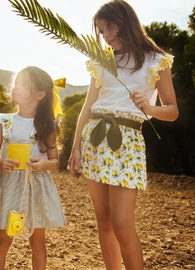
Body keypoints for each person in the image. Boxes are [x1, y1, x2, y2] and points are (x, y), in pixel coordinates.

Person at [68, 1, 178, 269]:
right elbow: (88, 106)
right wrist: (75, 148)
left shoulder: (156, 61)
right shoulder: (101, 62)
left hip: (127, 142)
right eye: (100, 30)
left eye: (109, 27)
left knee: (121, 222)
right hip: (95, 138)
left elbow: (173, 111)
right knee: (104, 221)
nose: (105, 35)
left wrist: (149, 108)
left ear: (125, 22)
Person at [0, 66, 66, 270]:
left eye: (23, 84)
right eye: (16, 83)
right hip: (10, 186)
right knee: (4, 239)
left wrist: (43, 164)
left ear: (40, 94)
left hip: (36, 187)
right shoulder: (5, 121)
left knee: (37, 242)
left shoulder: (47, 125)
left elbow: (55, 162)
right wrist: (0, 162)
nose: (16, 87)